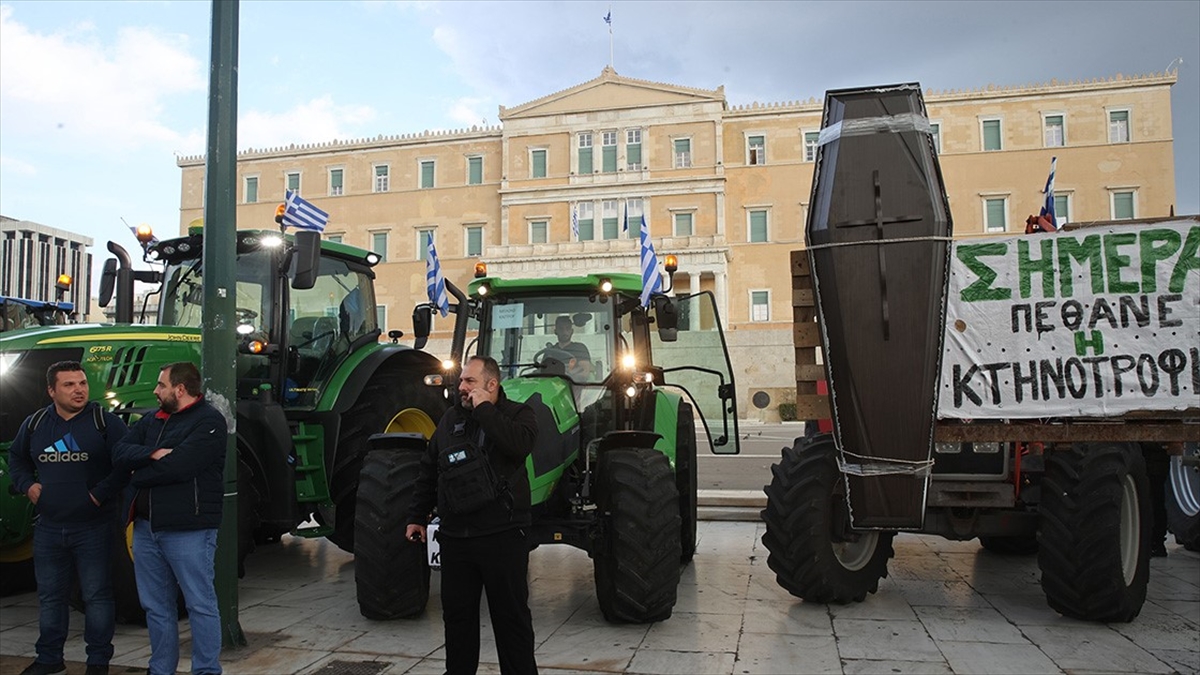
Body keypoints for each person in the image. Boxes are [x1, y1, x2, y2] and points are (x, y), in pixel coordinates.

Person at [406, 355, 539, 675]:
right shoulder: (450, 419)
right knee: (458, 620)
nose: (461, 387)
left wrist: (485, 410)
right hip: (457, 540)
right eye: (461, 381)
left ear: (492, 385)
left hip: (503, 538)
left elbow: (518, 446)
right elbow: (429, 469)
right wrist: (416, 515)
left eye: (470, 382)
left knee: (511, 621)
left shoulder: (518, 414)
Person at [7, 361, 129, 675]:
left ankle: (98, 663)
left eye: (82, 383)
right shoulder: (34, 424)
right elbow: (17, 458)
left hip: (94, 528)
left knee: (97, 596)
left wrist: (99, 494)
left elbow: (125, 463)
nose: (79, 390)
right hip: (48, 529)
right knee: (49, 597)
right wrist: (27, 485)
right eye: (69, 385)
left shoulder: (106, 422)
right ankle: (49, 660)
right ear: (52, 391)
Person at [113, 362, 226, 675]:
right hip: (147, 529)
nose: (155, 391)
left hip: (188, 529)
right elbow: (120, 450)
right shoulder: (153, 419)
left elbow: (178, 467)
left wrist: (138, 473)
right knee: (156, 606)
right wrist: (150, 454)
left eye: (160, 385)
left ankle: (206, 670)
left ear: (180, 389)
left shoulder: (209, 422)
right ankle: (160, 669)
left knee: (199, 604)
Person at [551, 315, 591, 380]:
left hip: (574, 386)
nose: (564, 332)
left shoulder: (580, 349)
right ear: (555, 331)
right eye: (561, 329)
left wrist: (568, 376)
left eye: (567, 328)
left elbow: (585, 372)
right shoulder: (550, 351)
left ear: (572, 331)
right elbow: (543, 371)